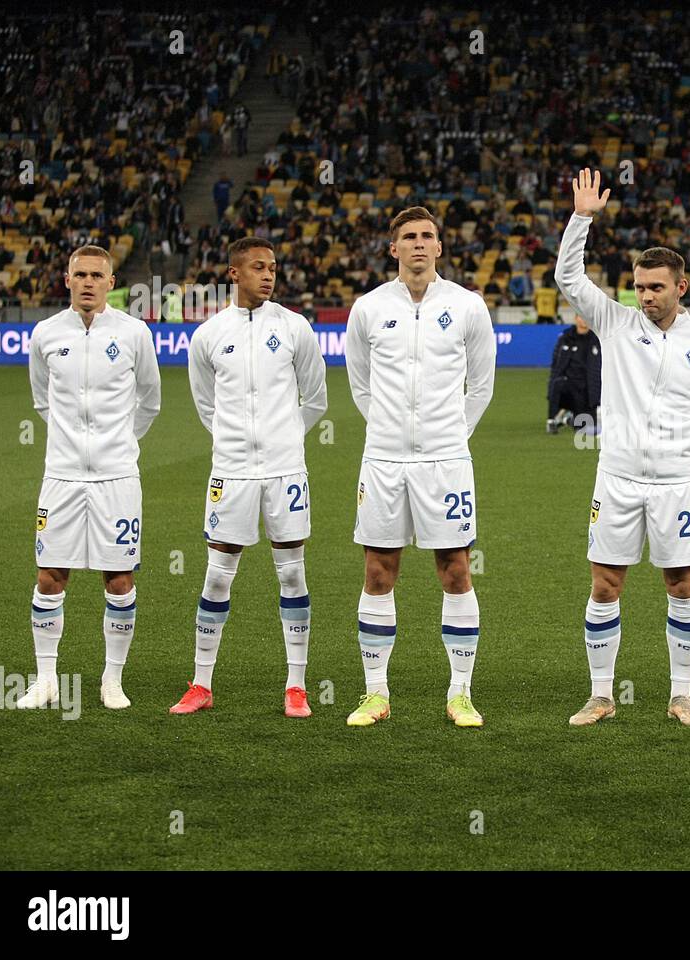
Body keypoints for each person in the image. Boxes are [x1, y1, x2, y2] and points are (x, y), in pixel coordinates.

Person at [556, 168, 690, 727]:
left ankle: (681, 694)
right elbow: (568, 276)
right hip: (617, 478)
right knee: (605, 582)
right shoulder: (615, 322)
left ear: (681, 287)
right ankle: (601, 694)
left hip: (676, 482)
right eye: (640, 285)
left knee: (681, 583)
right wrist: (582, 217)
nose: (646, 295)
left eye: (657, 286)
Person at [344, 206, 497, 729]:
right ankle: (375, 694)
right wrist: (390, 431)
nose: (417, 244)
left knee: (455, 570)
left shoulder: (467, 306)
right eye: (407, 236)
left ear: (439, 247)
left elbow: (482, 386)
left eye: (426, 236)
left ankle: (460, 694)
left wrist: (450, 435)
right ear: (393, 248)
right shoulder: (367, 308)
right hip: (384, 460)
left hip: (446, 461)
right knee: (377, 571)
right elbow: (360, 386)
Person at [169, 238, 327, 719]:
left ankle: (295, 686)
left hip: (285, 471)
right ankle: (201, 683)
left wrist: (282, 442)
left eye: (273, 268)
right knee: (217, 576)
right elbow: (206, 405)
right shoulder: (209, 335)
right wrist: (237, 444)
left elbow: (315, 398)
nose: (269, 275)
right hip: (231, 472)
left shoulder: (295, 327)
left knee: (293, 572)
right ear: (233, 274)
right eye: (258, 267)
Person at [18, 246, 161, 711]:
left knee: (119, 579)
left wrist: (116, 444)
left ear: (111, 282)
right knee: (49, 577)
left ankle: (112, 681)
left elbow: (150, 400)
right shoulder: (45, 333)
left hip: (117, 477)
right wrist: (72, 446)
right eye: (79, 274)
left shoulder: (134, 333)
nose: (87, 282)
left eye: (96, 275)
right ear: (66, 279)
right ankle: (45, 680)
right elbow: (42, 399)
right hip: (60, 475)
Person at [546, 314, 600, 434]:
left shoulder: (597, 339)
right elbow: (556, 364)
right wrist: (551, 387)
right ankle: (552, 420)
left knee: (589, 429)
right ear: (576, 318)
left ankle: (568, 418)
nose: (584, 320)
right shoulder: (566, 338)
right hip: (569, 385)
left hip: (587, 388)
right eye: (581, 317)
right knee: (557, 384)